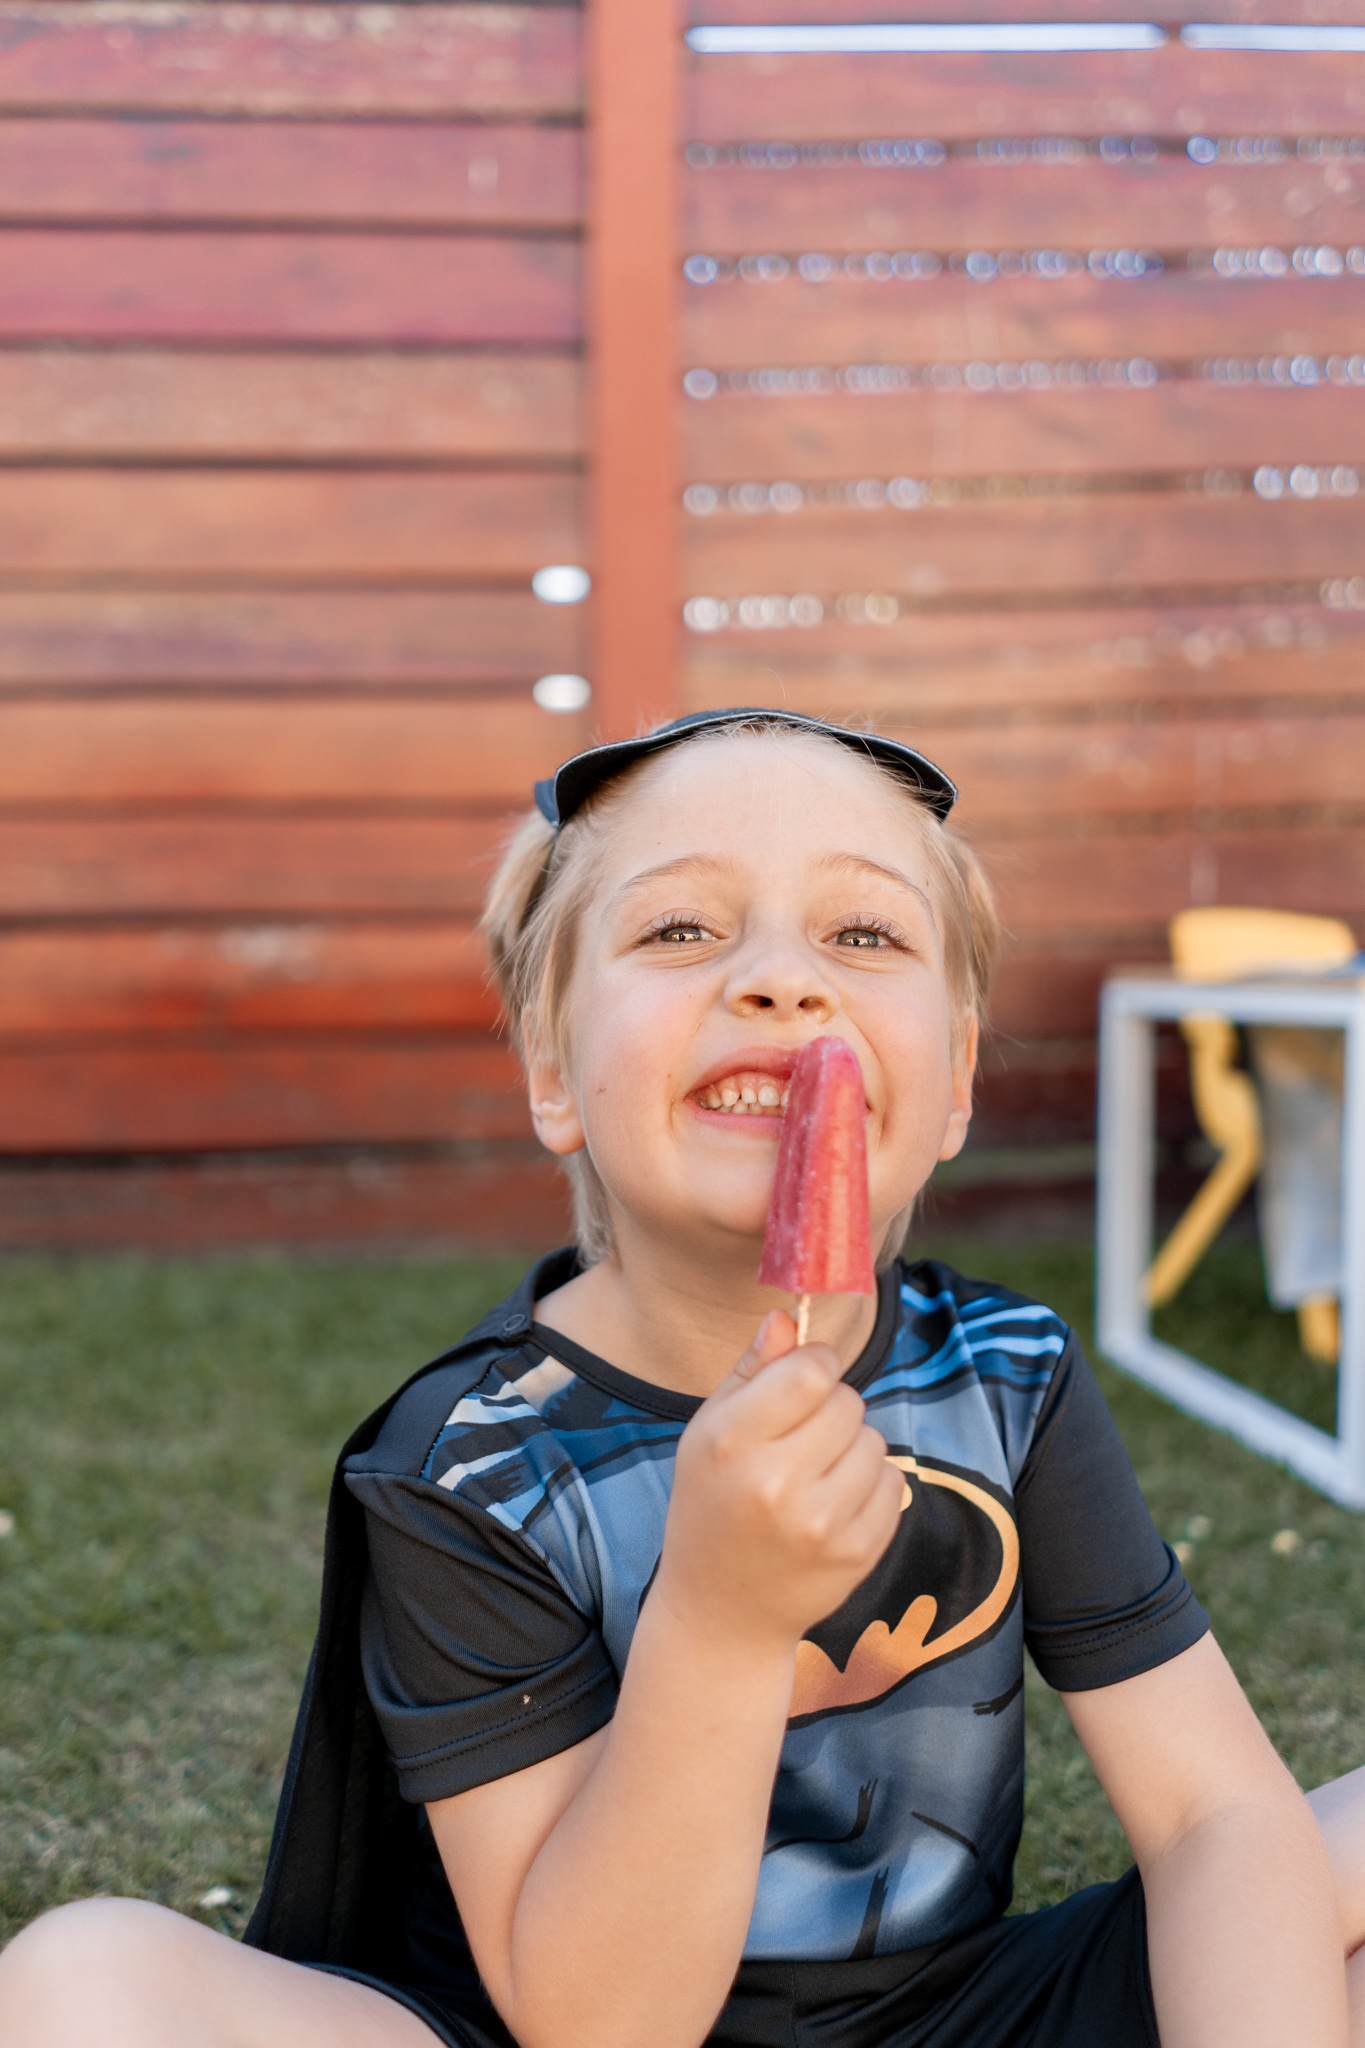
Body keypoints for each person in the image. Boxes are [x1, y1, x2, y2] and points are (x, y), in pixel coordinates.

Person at [2, 706, 1363, 2048]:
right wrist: (715, 1620)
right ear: (552, 1068)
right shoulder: (470, 1461)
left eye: (862, 934)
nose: (781, 979)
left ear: (951, 1081)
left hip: (958, 2019)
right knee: (87, 1980)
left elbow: (1211, 1816)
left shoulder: (1004, 1373)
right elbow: (596, 2021)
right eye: (680, 930)